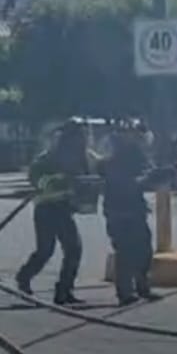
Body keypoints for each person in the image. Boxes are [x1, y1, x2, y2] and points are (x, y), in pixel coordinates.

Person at [17, 119, 99, 306]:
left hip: (63, 208)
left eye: (86, 134)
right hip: (47, 207)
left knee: (73, 249)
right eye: (80, 134)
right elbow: (35, 174)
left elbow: (100, 166)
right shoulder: (52, 156)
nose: (84, 138)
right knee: (46, 250)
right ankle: (24, 277)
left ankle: (64, 290)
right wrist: (53, 182)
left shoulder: (86, 156)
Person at [100, 124, 161, 306]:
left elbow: (147, 176)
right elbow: (126, 183)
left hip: (135, 210)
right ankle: (125, 293)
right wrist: (147, 178)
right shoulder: (114, 158)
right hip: (118, 211)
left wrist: (161, 175)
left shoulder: (137, 155)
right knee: (125, 253)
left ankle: (143, 287)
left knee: (144, 251)